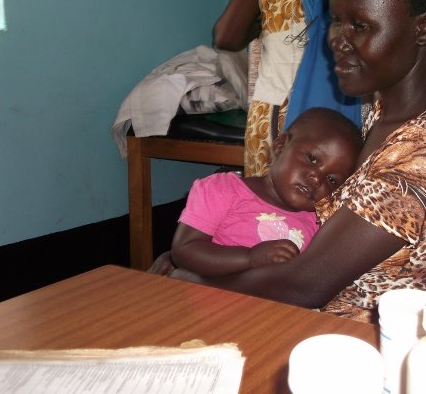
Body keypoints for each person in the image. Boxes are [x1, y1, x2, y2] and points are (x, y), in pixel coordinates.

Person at [167, 0, 426, 324]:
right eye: (337, 18)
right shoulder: (391, 114)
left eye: (361, 25)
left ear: (424, 27)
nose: (337, 38)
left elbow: (305, 285)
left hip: (369, 340)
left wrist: (187, 285)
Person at [148, 107, 363, 277]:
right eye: (312, 159)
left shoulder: (319, 224)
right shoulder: (223, 189)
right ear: (280, 147)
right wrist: (249, 258)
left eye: (332, 180)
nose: (317, 179)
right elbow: (184, 249)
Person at [213, 0, 308, 178]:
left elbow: (226, 37)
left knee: (269, 205)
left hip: (277, 108)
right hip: (345, 110)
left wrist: (263, 26)